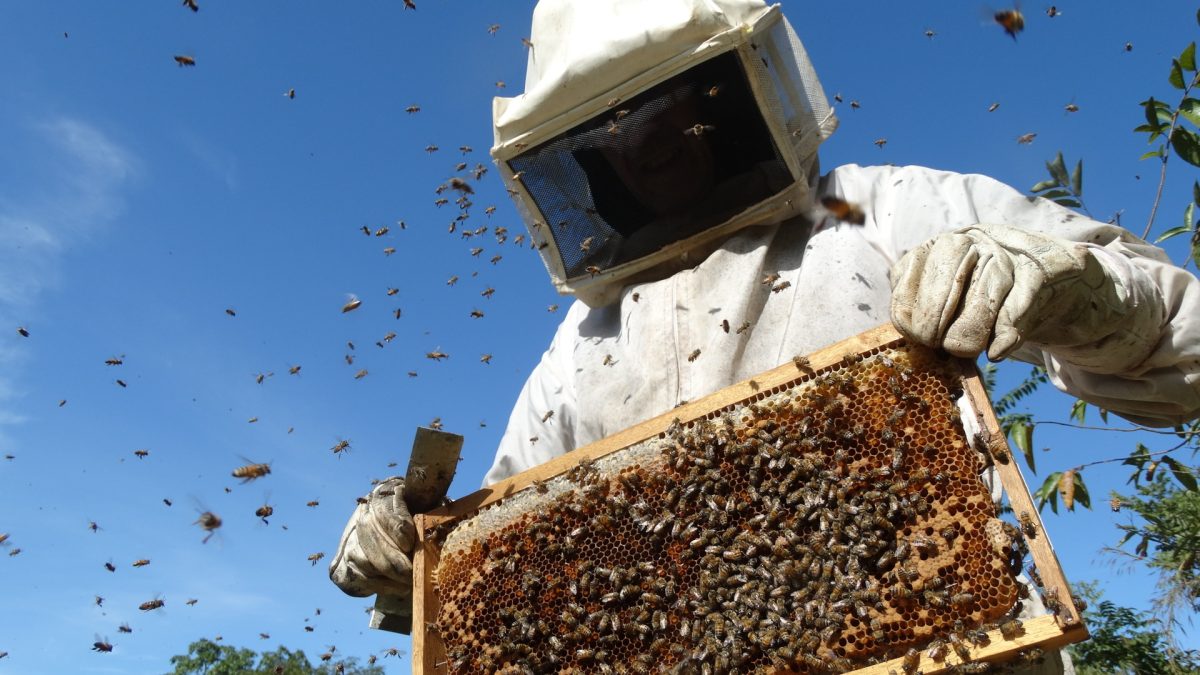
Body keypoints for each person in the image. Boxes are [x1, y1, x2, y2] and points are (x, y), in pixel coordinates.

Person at [330, 1, 1200, 672]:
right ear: (585, 159)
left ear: (732, 89)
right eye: (611, 129)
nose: (647, 140)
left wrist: (1087, 296)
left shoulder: (883, 210)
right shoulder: (583, 345)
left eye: (669, 102)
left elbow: (1186, 349)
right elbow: (502, 570)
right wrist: (411, 557)